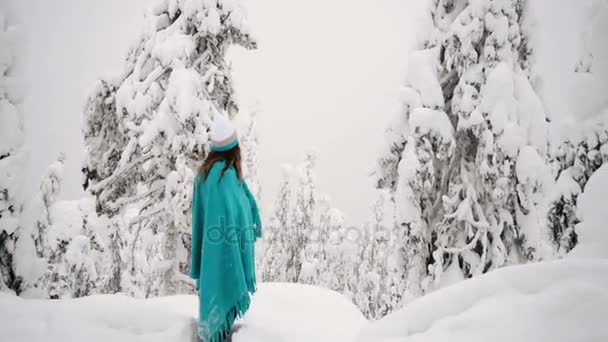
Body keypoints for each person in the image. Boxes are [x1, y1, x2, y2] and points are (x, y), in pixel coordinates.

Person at [190, 114, 262, 342]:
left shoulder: (203, 177)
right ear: (234, 150)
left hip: (211, 256)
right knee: (223, 318)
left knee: (214, 298)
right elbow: (241, 219)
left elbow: (204, 219)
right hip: (227, 256)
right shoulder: (227, 178)